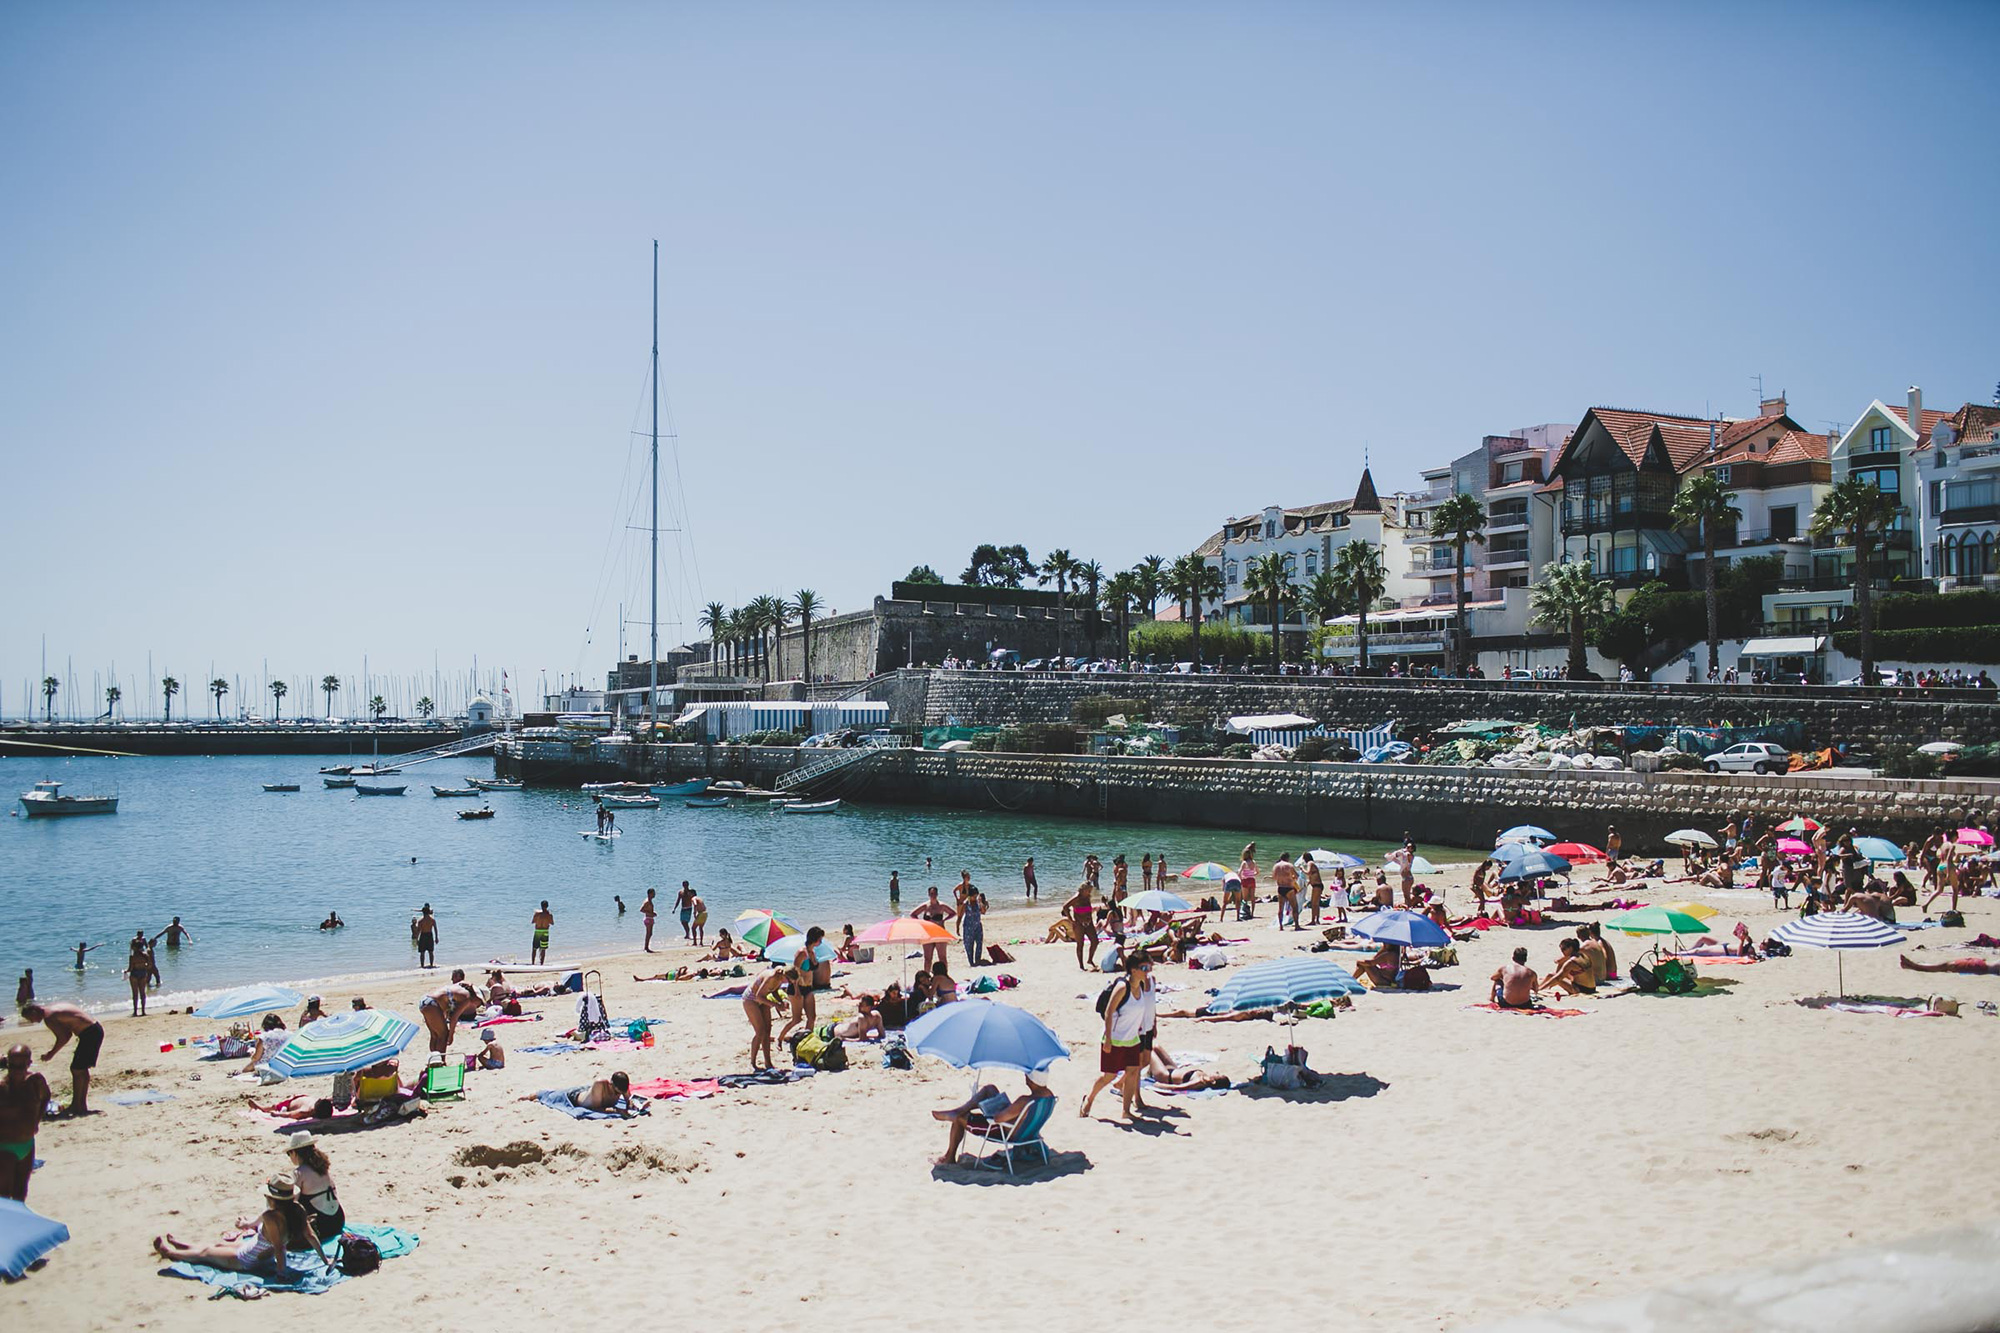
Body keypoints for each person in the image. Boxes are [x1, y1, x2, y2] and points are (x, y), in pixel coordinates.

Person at [153, 1175, 326, 1278]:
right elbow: (311, 1236)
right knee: (219, 1246)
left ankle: (170, 1253)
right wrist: (324, 1259)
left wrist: (281, 1273)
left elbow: (279, 1248)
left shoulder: (271, 1217)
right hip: (257, 1250)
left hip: (248, 1259)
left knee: (205, 1254)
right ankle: (183, 1245)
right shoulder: (298, 1210)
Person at [1081, 951, 1151, 1121]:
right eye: (1144, 968)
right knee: (1109, 1076)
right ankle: (1089, 1099)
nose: (1147, 971)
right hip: (1115, 1039)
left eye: (1149, 967)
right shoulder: (1122, 987)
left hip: (1132, 1039)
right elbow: (1108, 1012)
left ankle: (1126, 1110)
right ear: (1133, 970)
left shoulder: (1141, 986)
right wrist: (1109, 1040)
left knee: (1133, 1073)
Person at [933, 1073, 1052, 1166]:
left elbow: (998, 1119)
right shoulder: (1049, 1097)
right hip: (1027, 1131)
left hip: (1005, 1131)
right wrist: (1008, 1108)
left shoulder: (1024, 1101)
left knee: (960, 1118)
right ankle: (959, 1110)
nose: (1026, 1078)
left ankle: (949, 1157)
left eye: (1028, 1076)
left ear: (1033, 1082)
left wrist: (994, 1110)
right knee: (990, 1089)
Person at [22, 1002, 102, 1116]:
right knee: (80, 1070)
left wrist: (51, 1053)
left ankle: (77, 1105)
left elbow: (65, 1036)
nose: (32, 1021)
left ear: (34, 1011)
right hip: (94, 1029)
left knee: (77, 1069)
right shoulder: (52, 1008)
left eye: (30, 1018)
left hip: (90, 1033)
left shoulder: (49, 1017)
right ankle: (80, 1105)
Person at [0, 1044, 51, 1202]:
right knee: (4, 1196)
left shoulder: (35, 1082)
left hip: (27, 1145)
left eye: (21, 1065)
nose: (17, 1070)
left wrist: (36, 1120)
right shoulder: (2, 1088)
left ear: (29, 1063)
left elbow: (46, 1098)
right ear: (7, 1065)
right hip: (4, 1146)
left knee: (21, 1193)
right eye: (13, 1065)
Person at [285, 1131, 346, 1246]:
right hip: (338, 1220)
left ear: (295, 1152)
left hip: (321, 1226)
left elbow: (291, 1203)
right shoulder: (322, 1167)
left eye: (289, 1153)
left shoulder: (299, 1173)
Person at [417, 980, 480, 1055]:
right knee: (443, 1035)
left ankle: (434, 1061)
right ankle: (440, 1061)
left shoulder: (461, 990)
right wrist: (451, 1035)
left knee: (435, 1035)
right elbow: (454, 1017)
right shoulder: (467, 998)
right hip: (432, 1003)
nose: (478, 1005)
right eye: (480, 1003)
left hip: (425, 1000)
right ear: (477, 997)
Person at [743, 963, 787, 1071]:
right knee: (760, 1032)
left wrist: (781, 1002)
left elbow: (774, 991)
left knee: (767, 1031)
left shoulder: (779, 979)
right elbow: (758, 996)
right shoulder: (770, 977)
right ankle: (753, 1062)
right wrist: (776, 1005)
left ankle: (768, 1062)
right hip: (751, 999)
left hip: (763, 999)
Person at [911, 885, 958, 971]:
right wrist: (921, 923)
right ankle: (927, 977)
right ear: (928, 894)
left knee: (942, 958)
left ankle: (944, 976)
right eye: (931, 894)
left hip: (939, 933)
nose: (933, 895)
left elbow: (953, 913)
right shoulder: (925, 906)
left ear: (937, 894)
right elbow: (913, 914)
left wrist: (944, 920)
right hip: (928, 934)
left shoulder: (941, 906)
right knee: (928, 959)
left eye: (934, 894)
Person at [1059, 882, 1099, 970]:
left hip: (1089, 923)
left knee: (1095, 941)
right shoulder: (1077, 897)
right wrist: (1071, 920)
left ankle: (1090, 959)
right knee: (1080, 944)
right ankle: (1081, 965)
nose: (1089, 892)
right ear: (1083, 890)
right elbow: (1065, 907)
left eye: (1090, 891)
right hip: (1079, 924)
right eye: (1088, 890)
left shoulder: (1087, 897)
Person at [573, 1073, 638, 1117]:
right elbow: (596, 1108)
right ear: (611, 1084)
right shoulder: (600, 1084)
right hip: (575, 1096)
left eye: (621, 1093)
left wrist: (638, 1106)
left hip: (591, 1092)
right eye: (616, 1092)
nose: (618, 1094)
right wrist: (617, 1111)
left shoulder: (622, 1087)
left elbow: (630, 1101)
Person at [1272, 851, 1301, 930]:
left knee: (1280, 908)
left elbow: (1274, 877)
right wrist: (1291, 878)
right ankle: (1297, 925)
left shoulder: (1276, 866)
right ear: (1287, 858)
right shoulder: (1289, 865)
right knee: (1294, 907)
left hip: (1280, 888)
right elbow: (1296, 876)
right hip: (1289, 887)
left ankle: (1281, 926)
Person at [125, 932, 152, 1016]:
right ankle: (143, 1011)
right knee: (142, 993)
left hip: (134, 974)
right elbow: (150, 965)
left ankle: (135, 1012)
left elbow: (130, 968)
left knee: (135, 994)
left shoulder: (132, 957)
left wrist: (125, 971)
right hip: (143, 973)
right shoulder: (145, 955)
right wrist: (144, 967)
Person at [1900, 954, 2000, 976]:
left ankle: (1914, 965)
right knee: (1943, 967)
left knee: (1944, 966)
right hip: (1979, 965)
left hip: (1978, 966)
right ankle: (1913, 966)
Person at [961, 881, 986, 966]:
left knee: (979, 943)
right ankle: (971, 962)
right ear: (970, 895)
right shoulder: (966, 904)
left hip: (978, 926)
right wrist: (957, 926)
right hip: (968, 926)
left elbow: (983, 912)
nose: (974, 898)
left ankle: (977, 960)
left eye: (976, 896)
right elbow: (960, 915)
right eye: (973, 896)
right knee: (969, 945)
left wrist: (981, 902)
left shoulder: (978, 903)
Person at [1237, 843, 1260, 920]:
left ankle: (1245, 912)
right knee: (1253, 897)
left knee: (1245, 898)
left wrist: (1241, 879)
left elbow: (1239, 872)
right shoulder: (1253, 862)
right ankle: (1252, 913)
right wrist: (1252, 874)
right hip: (1252, 880)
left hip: (1245, 880)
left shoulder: (1244, 863)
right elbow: (1257, 872)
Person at [414, 903, 439, 969]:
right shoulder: (432, 920)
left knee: (422, 952)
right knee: (431, 952)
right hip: (430, 935)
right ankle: (431, 964)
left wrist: (416, 939)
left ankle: (422, 966)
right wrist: (436, 937)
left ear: (423, 913)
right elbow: (435, 929)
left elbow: (418, 931)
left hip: (423, 935)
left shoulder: (420, 921)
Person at [529, 900, 554, 964]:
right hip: (545, 931)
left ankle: (533, 963)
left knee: (534, 948)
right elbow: (552, 923)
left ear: (541, 906)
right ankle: (541, 963)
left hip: (538, 931)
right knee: (543, 948)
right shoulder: (549, 914)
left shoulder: (537, 914)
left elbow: (533, 922)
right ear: (547, 906)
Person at [641, 887, 659, 952]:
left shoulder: (649, 901)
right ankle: (646, 947)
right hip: (648, 919)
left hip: (650, 918)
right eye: (653, 893)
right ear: (650, 894)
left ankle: (646, 947)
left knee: (650, 933)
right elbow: (641, 909)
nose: (654, 894)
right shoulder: (647, 901)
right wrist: (651, 913)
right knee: (648, 933)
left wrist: (652, 913)